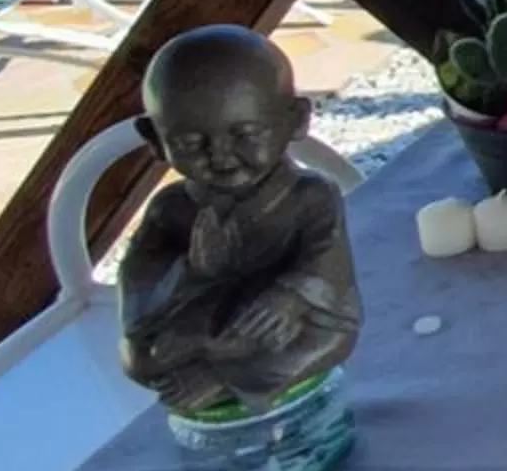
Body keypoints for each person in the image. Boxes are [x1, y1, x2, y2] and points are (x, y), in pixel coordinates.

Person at [119, 25, 361, 413]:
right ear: (154, 139)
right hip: (206, 320)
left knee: (325, 338)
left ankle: (223, 380)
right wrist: (191, 273)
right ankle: (216, 367)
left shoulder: (310, 196)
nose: (221, 157)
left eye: (247, 134)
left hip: (279, 323)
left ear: (296, 119)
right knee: (140, 357)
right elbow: (138, 280)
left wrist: (289, 296)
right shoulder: (171, 208)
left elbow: (327, 263)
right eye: (190, 143)